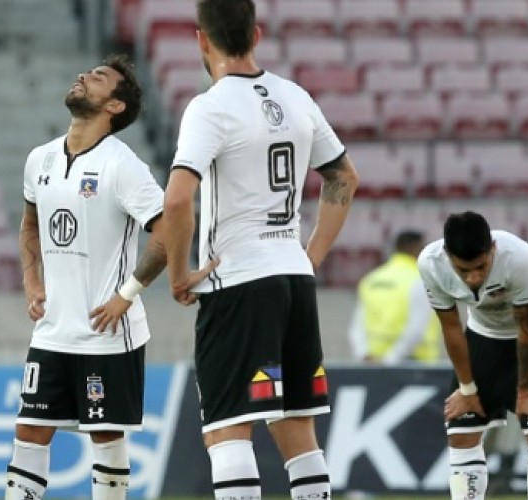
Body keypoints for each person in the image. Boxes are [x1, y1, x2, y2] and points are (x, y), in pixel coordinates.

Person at [160, 1, 359, 498]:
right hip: (293, 277)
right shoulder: (296, 97)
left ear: (201, 39)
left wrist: (179, 272)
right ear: (257, 33)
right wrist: (308, 256)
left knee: (227, 429)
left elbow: (178, 197)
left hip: (239, 281)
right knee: (298, 433)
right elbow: (343, 177)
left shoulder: (210, 107)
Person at [5, 53, 213, 500]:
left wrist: (128, 293)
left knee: (106, 437)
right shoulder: (39, 159)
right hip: (52, 331)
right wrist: (32, 281)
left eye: (98, 77)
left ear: (114, 106)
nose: (82, 76)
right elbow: (30, 222)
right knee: (29, 430)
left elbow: (169, 231)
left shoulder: (123, 166)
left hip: (106, 331)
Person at [418, 211, 528, 500]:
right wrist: (466, 389)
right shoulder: (431, 264)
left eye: (481, 267)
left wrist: (526, 391)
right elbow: (451, 329)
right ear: (448, 256)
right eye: (463, 270)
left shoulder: (517, 255)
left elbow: (527, 326)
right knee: (461, 430)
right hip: (484, 333)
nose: (473, 278)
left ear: (493, 250)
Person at [348, 230, 442, 365]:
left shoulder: (371, 279)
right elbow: (417, 327)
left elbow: (357, 325)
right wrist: (390, 360)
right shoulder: (421, 280)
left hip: (372, 361)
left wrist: (364, 355)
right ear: (417, 248)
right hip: (414, 362)